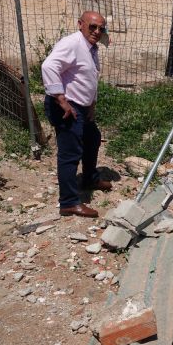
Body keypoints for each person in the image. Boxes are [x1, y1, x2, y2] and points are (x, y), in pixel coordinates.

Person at [42, 11, 112, 218]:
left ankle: (89, 178)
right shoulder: (72, 43)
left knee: (93, 138)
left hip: (82, 107)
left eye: (101, 28)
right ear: (80, 24)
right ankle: (69, 202)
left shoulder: (90, 48)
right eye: (93, 27)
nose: (97, 31)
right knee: (70, 154)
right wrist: (61, 99)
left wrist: (92, 104)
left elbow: (89, 78)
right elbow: (49, 66)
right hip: (67, 107)